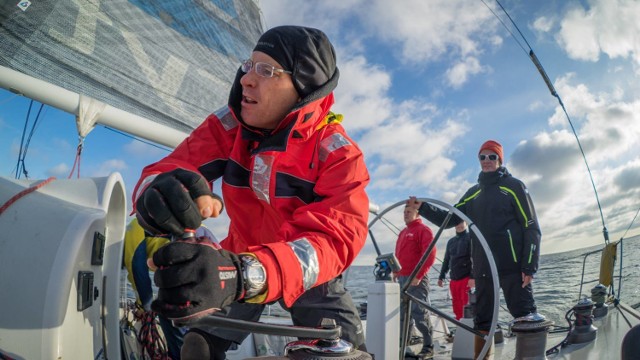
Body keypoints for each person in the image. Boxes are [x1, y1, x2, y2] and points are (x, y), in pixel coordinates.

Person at [132, 25, 370, 359]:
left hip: (308, 273)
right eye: (249, 64)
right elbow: (173, 165)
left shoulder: (338, 153)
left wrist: (250, 274)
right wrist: (153, 195)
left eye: (266, 70)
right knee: (197, 345)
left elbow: (336, 237)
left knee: (343, 353)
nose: (246, 79)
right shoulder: (229, 125)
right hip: (236, 260)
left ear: (305, 87)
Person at [408, 139, 541, 358]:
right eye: (483, 157)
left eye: (492, 156)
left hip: (513, 265)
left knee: (524, 315)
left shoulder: (514, 186)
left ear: (499, 159)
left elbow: (531, 226)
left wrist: (529, 265)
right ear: (478, 160)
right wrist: (423, 208)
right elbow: (448, 218)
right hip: (483, 268)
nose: (487, 161)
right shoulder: (472, 193)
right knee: (483, 321)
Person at [123, 218, 218, 359]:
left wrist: (145, 307)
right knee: (198, 330)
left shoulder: (136, 225)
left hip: (190, 275)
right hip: (215, 279)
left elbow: (137, 268)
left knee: (170, 313)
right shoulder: (192, 222)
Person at [393, 204, 436, 359]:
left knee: (419, 313)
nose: (405, 214)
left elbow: (430, 255)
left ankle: (428, 346)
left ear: (418, 214)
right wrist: (395, 272)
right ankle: (405, 343)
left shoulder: (423, 230)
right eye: (404, 212)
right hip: (402, 278)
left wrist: (419, 275)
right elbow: (398, 254)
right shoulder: (403, 232)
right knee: (403, 314)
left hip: (417, 279)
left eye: (409, 212)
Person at [437, 221, 472, 320]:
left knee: (467, 307)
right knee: (457, 308)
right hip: (454, 280)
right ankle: (460, 328)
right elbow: (447, 260)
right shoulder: (451, 241)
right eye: (456, 222)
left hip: (467, 279)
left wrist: (473, 277)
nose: (459, 225)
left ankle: (470, 332)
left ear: (466, 223)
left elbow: (476, 259)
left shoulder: (471, 238)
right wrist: (441, 277)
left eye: (461, 222)